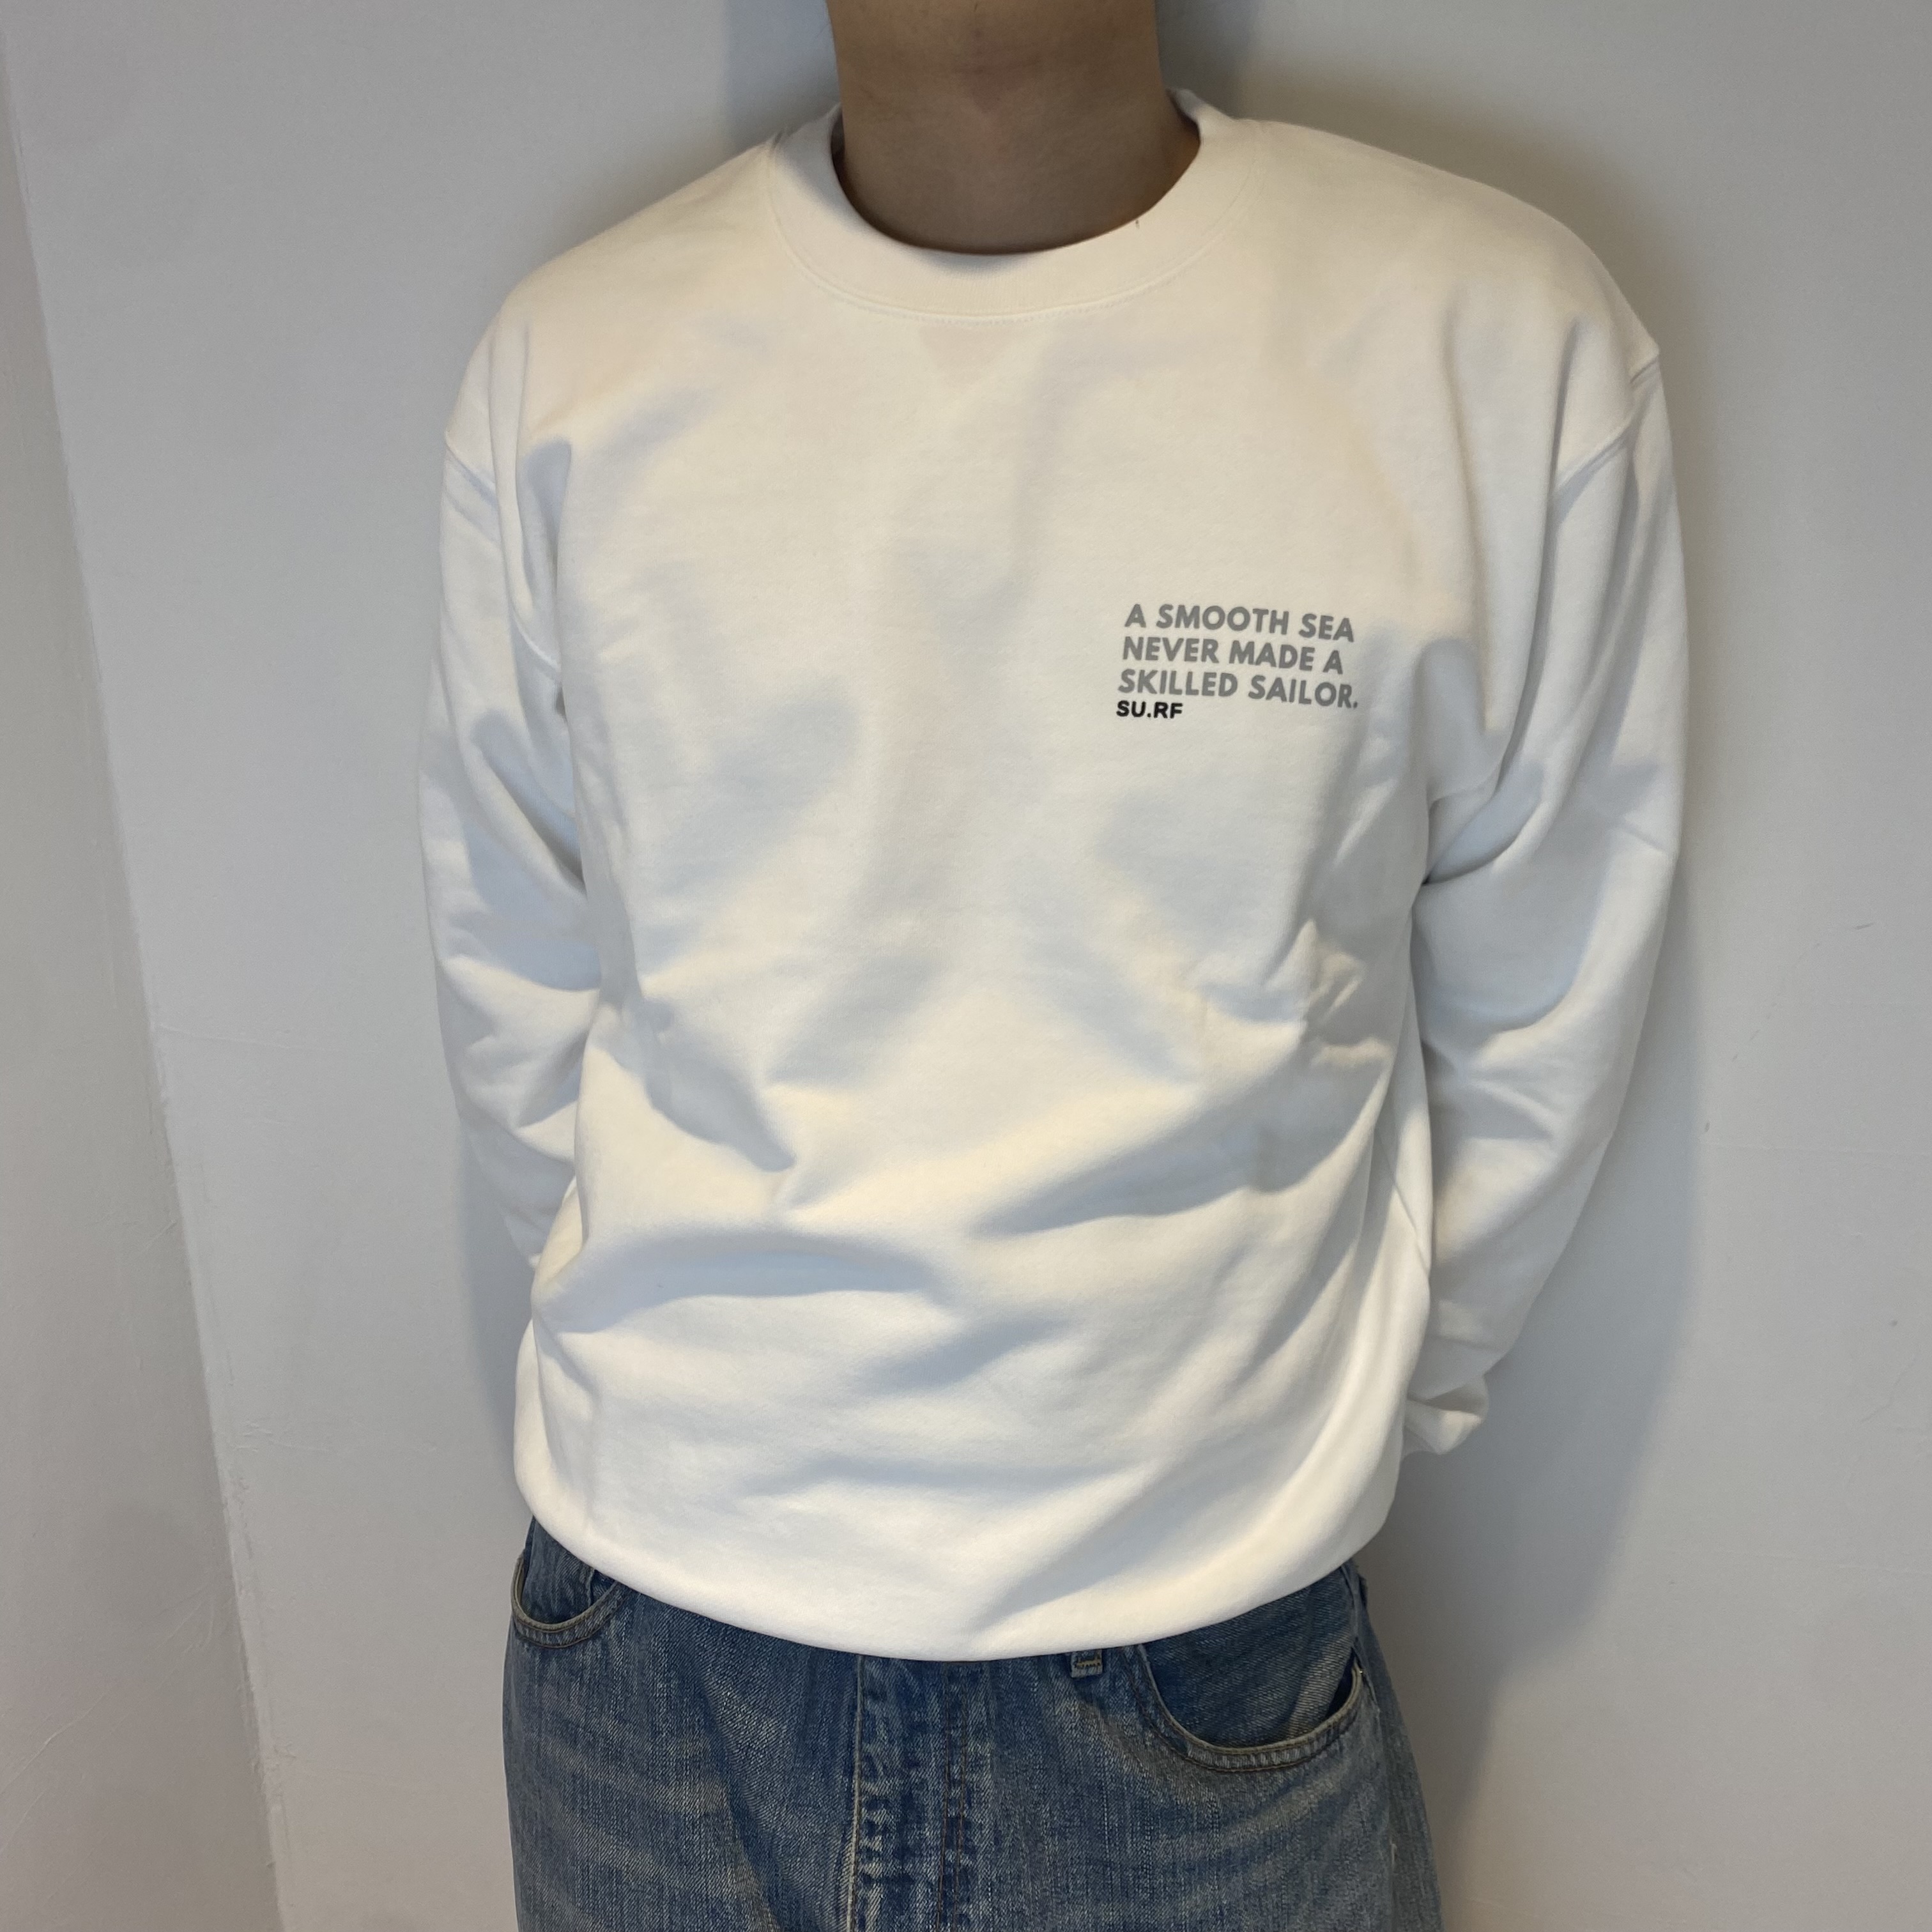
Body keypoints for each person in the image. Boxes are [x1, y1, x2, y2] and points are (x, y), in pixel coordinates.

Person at [417, 0, 1687, 1924]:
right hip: (654, 1664)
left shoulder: (1494, 346)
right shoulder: (573, 365)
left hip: (1211, 1663)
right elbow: (514, 961)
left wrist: (1345, 1415)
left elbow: (1550, 988)